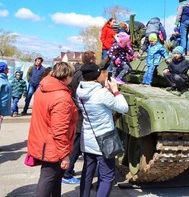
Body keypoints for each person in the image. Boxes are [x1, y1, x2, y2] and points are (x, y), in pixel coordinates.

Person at [76, 62, 129, 197]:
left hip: (88, 138)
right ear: (96, 75)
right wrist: (115, 90)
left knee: (87, 173)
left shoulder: (80, 90)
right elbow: (123, 108)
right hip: (104, 140)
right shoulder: (101, 94)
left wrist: (105, 90)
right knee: (107, 176)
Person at [27, 62, 78, 197]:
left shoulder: (42, 88)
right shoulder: (62, 97)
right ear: (67, 76)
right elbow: (59, 130)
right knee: (48, 177)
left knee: (54, 178)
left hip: (43, 141)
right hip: (52, 146)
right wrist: (65, 155)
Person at [62, 51, 96, 185]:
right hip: (80, 114)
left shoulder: (77, 71)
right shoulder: (84, 76)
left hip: (76, 111)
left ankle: (67, 170)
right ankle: (66, 173)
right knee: (76, 144)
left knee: (75, 142)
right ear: (92, 60)